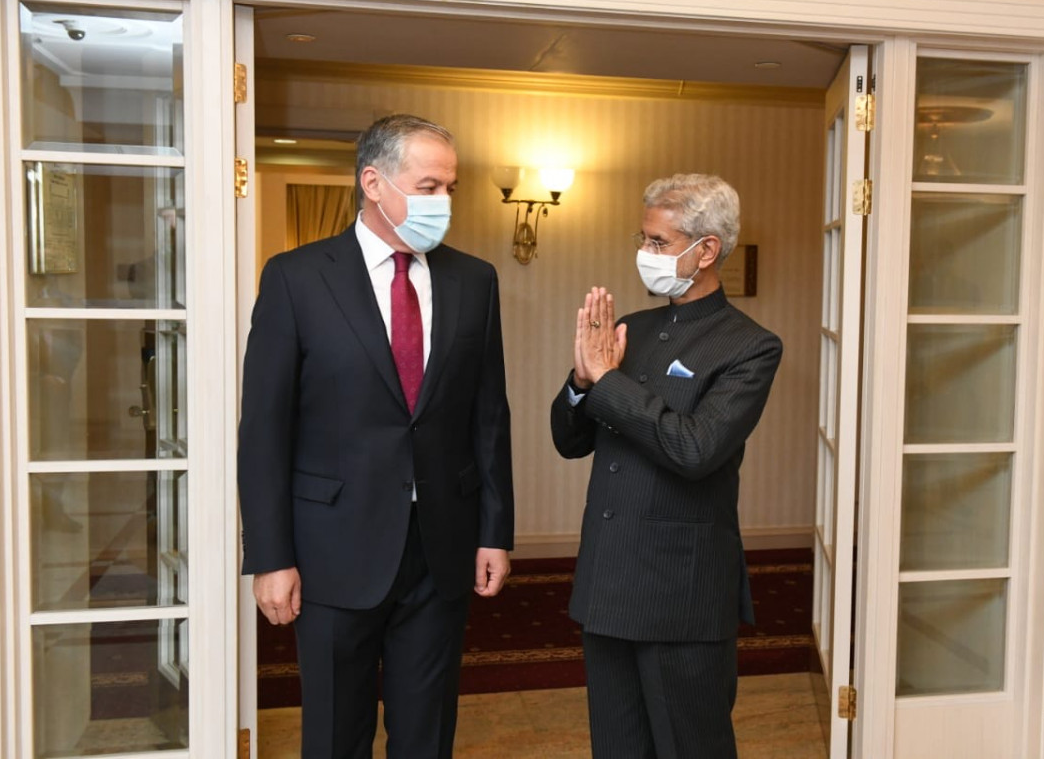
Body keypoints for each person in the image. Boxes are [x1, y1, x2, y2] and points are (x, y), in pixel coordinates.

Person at [238, 114, 514, 758]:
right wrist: (270, 556)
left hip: (441, 547)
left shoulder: (474, 280)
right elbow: (264, 429)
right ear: (374, 182)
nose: (444, 202)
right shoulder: (296, 277)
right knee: (336, 735)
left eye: (451, 187)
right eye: (429, 186)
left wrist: (494, 530)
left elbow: (488, 416)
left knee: (426, 736)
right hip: (332, 549)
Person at [551, 173, 782, 759]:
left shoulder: (748, 345)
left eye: (658, 242)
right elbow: (569, 440)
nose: (645, 254)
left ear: (706, 250)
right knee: (618, 746)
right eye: (644, 238)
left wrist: (607, 380)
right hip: (608, 582)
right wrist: (582, 382)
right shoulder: (635, 327)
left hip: (680, 592)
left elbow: (695, 449)